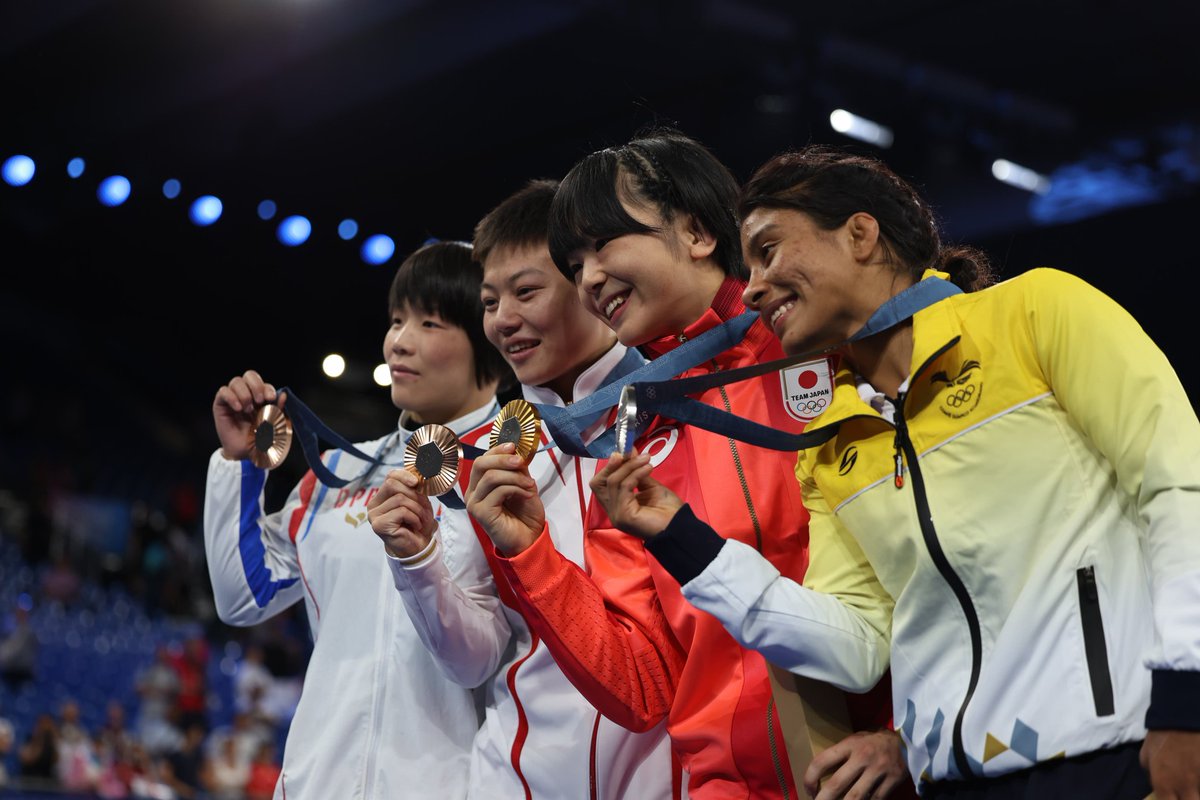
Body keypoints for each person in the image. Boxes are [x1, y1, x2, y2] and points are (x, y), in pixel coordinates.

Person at [593, 144, 1200, 799]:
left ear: (860, 234)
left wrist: (1186, 701)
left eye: (769, 251)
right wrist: (685, 539)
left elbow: (1177, 488)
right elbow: (853, 648)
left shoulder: (1034, 314)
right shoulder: (830, 443)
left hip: (1112, 756)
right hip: (953, 783)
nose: (757, 286)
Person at [466, 130, 903, 799]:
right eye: (573, 262)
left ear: (697, 232)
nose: (587, 278)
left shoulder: (831, 352)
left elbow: (955, 559)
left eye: (603, 243)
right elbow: (642, 686)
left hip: (887, 776)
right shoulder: (636, 444)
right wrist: (531, 556)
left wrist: (914, 735)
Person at [368, 179, 677, 798]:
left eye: (526, 292)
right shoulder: (480, 457)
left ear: (591, 283)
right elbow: (472, 662)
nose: (503, 320)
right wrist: (420, 560)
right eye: (489, 301)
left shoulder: (680, 419)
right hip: (514, 783)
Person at [203, 240, 510, 799]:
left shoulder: (524, 474)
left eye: (430, 322)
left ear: (489, 340)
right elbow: (244, 596)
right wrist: (240, 466)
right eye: (396, 320)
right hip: (316, 783)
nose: (399, 341)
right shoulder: (341, 470)